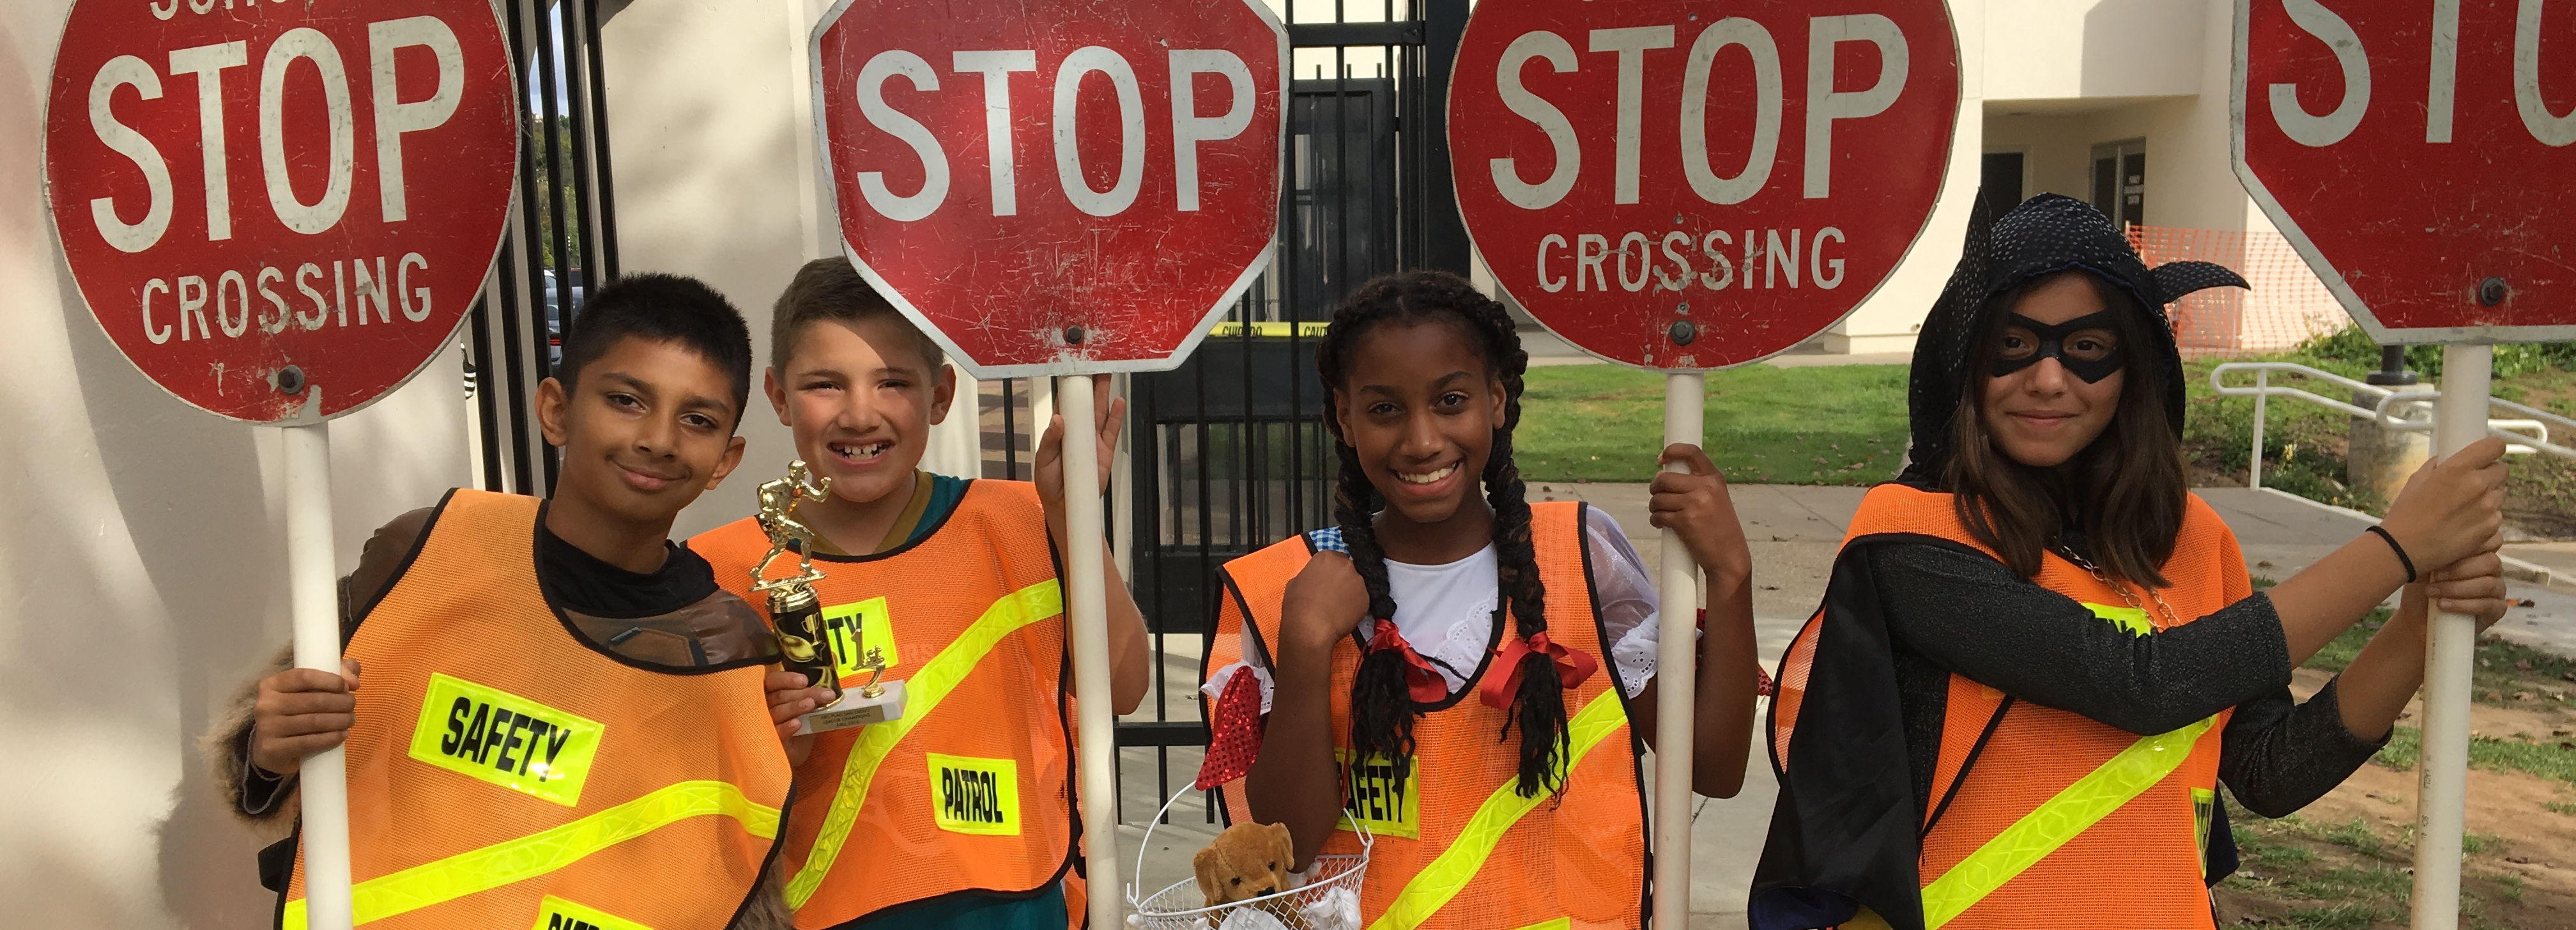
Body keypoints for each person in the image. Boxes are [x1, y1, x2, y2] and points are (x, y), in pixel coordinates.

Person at [1750, 194, 2513, 930]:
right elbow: (2138, 682)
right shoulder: (1911, 532)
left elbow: (2271, 772)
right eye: (2012, 346)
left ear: (2133, 370)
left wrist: (2413, 627)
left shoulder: (2195, 539)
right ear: (1963, 360)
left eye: (2087, 350)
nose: (2048, 378)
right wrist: (2394, 549)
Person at [208, 274, 809, 929]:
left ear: (726, 458)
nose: (659, 439)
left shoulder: (731, 648)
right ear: (556, 410)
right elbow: (255, 773)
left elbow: (737, 886)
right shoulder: (423, 552)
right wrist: (270, 745)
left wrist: (780, 755)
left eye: (698, 419)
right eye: (626, 400)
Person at [1202, 269, 1767, 929]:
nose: (1421, 440)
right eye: (1385, 408)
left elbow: (1714, 768)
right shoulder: (1292, 589)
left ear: (1496, 401)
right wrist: (1304, 646)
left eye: (1450, 401)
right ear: (1343, 418)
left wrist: (1730, 576)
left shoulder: (1580, 558)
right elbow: (1287, 839)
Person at [689, 257, 1149, 930]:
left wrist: (1070, 514)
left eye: (893, 383)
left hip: (1020, 907)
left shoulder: (1022, 520)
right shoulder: (720, 568)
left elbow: (1127, 685)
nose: (859, 413)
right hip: (822, 912)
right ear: (779, 396)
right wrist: (764, 737)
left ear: (940, 397)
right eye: (825, 384)